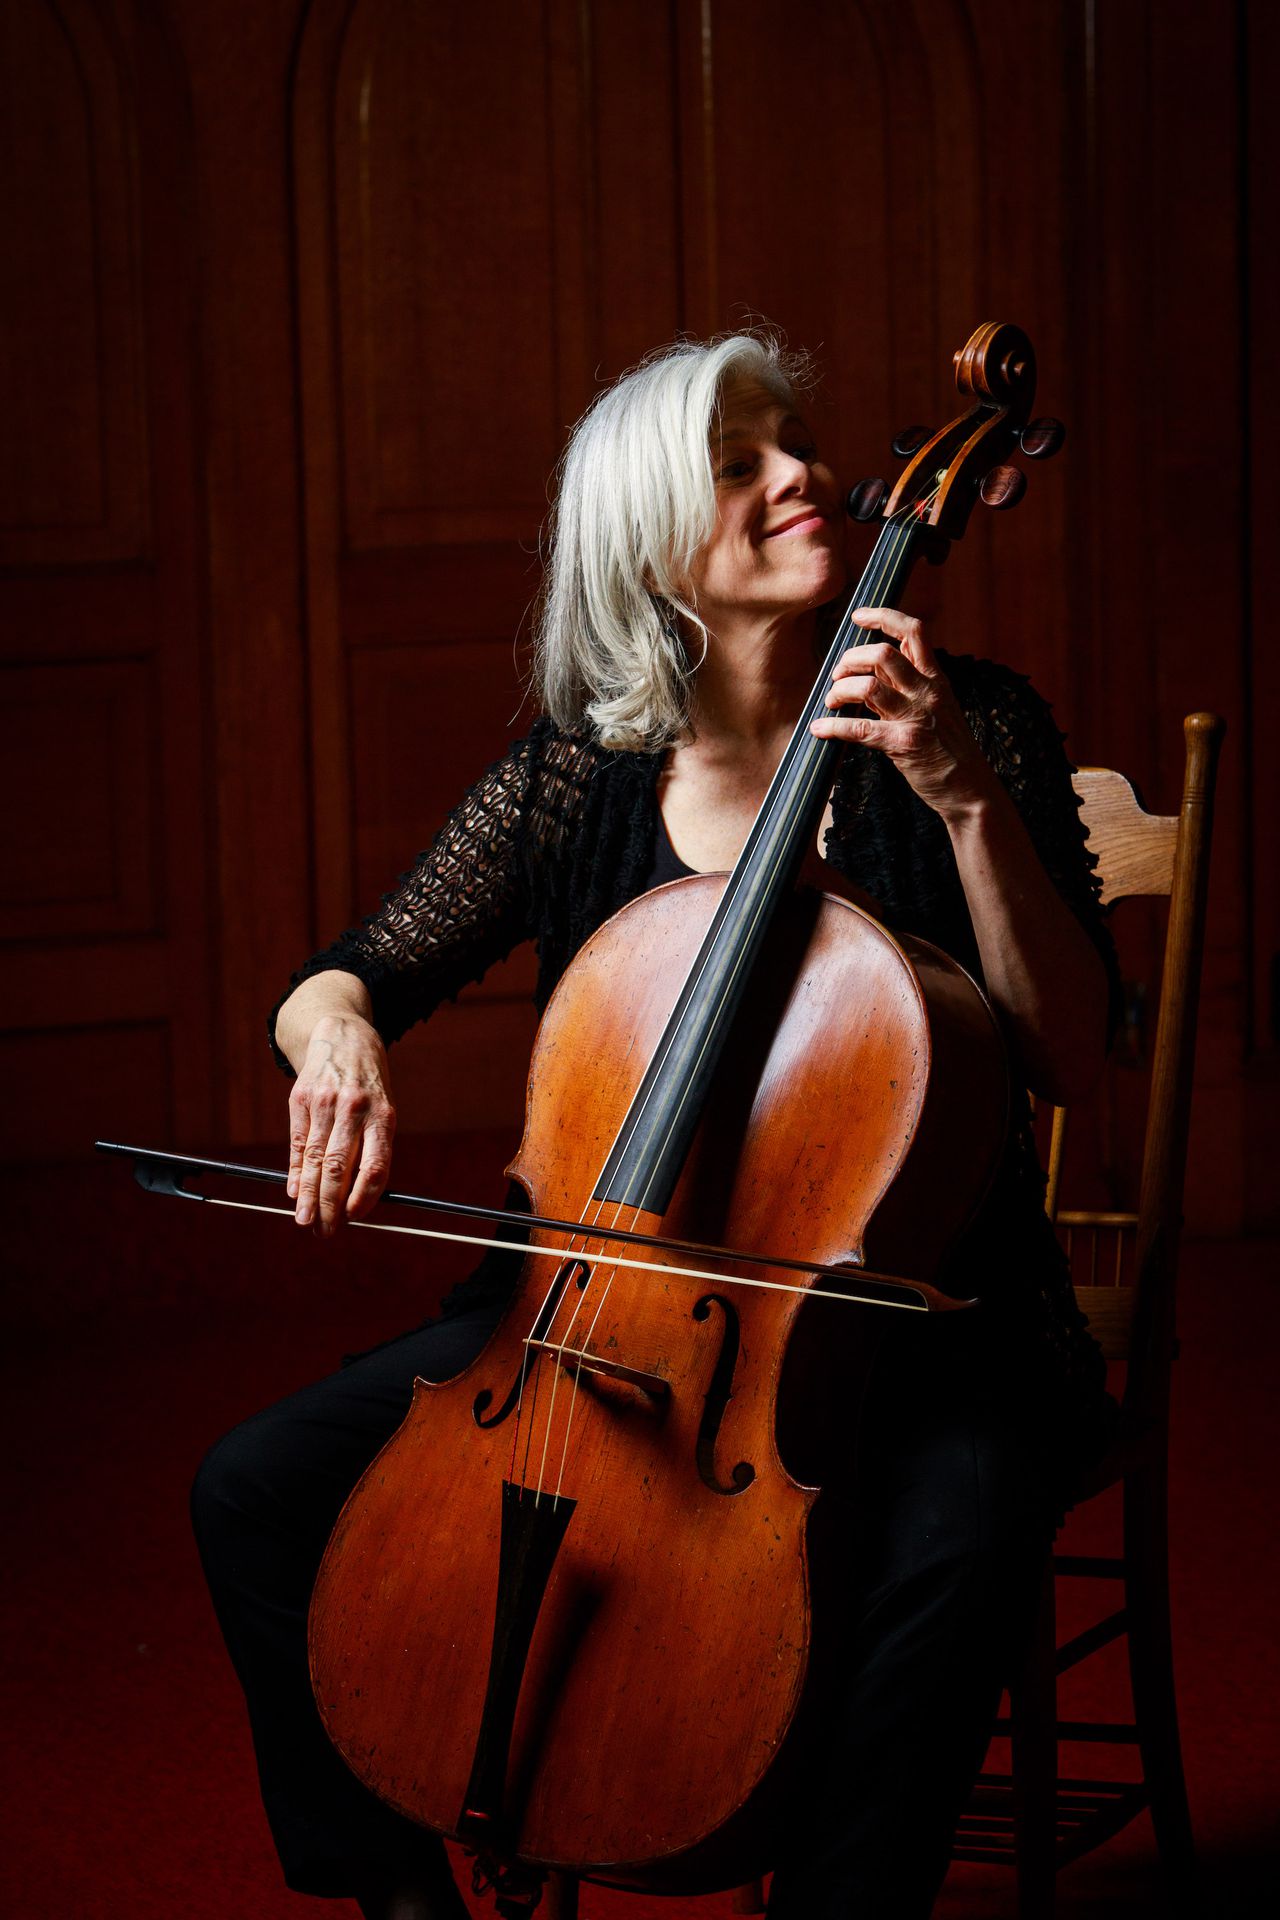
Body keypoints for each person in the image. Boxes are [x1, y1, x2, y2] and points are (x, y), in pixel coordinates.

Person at [191, 330, 1119, 1920]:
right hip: (579, 1312)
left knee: (950, 1539)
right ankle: (403, 1900)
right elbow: (352, 971)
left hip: (917, 1325)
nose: (804, 479)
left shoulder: (979, 729)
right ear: (647, 551)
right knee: (255, 1486)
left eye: (800, 447)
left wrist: (960, 793)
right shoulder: (586, 774)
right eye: (740, 463)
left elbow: (1071, 1055)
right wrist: (332, 1037)